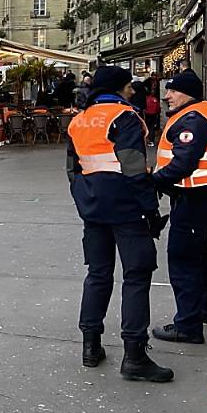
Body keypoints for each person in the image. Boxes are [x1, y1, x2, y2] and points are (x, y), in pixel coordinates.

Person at [66, 65, 173, 383]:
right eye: (129, 86)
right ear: (119, 88)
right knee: (136, 277)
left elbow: (73, 170)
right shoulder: (125, 118)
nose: (132, 91)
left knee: (98, 275)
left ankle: (90, 346)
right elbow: (134, 168)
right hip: (127, 209)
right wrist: (150, 209)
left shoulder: (80, 120)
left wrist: (85, 200)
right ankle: (135, 356)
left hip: (93, 209)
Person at [151, 70, 207, 345]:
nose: (167, 96)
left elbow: (183, 164)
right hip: (201, 196)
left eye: (172, 90)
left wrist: (153, 181)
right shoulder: (202, 112)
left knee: (183, 259)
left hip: (194, 197)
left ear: (188, 93)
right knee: (198, 254)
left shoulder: (193, 120)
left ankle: (187, 325)